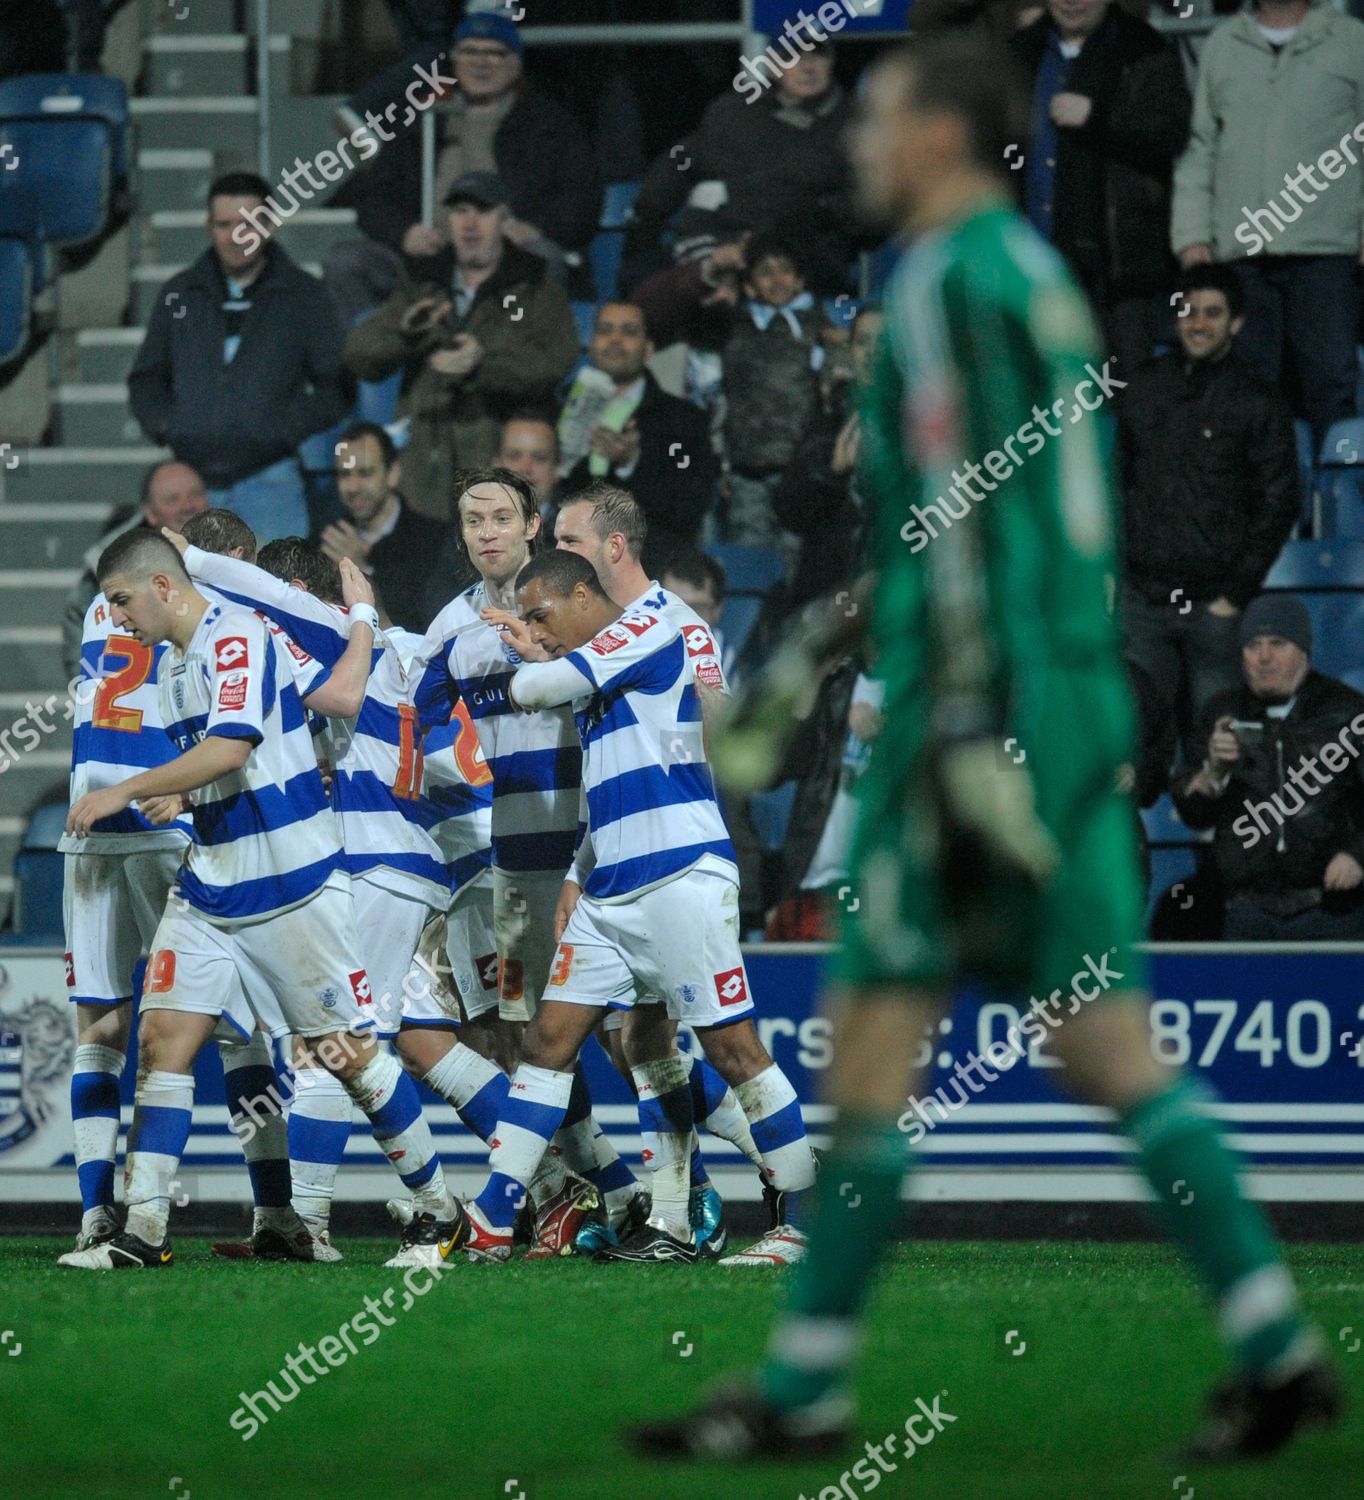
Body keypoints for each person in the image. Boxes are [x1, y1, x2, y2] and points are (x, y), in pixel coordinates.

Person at [634, 34, 1339, 1462]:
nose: (861, 145)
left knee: (896, 1050)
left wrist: (954, 726)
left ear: (942, 138)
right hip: (1058, 698)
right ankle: (1275, 1345)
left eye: (882, 120)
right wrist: (822, 652)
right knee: (1098, 1051)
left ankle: (809, 1388)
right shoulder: (1028, 277)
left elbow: (958, 534)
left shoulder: (951, 282)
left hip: (983, 711)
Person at [56, 533, 469, 1270]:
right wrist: (183, 789)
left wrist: (127, 788)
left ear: (162, 584)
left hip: (291, 886)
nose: (115, 618)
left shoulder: (236, 634)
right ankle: (142, 1231)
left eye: (121, 600)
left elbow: (235, 746)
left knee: (348, 1055)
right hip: (212, 884)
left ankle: (438, 1209)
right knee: (163, 1043)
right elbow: (231, 754)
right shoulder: (175, 662)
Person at [164, 530, 566, 1247]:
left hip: (376, 861)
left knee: (329, 1043)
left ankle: (311, 1224)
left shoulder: (323, 629)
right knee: (413, 1041)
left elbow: (279, 610)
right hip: (416, 855)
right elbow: (450, 759)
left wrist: (190, 559)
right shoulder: (402, 645)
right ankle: (553, 1183)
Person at [453, 549, 816, 1265]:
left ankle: (803, 1222)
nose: (535, 629)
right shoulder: (600, 676)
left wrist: (528, 663)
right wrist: (578, 876)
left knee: (732, 1049)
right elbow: (606, 781)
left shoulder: (649, 627)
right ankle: (497, 1218)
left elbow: (531, 690)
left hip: (679, 874)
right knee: (551, 1042)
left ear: (583, 593)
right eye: (526, 619)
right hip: (612, 888)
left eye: (541, 614)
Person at [408, 468, 642, 1253]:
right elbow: (425, 733)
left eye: (501, 517)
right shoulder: (451, 630)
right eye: (472, 520)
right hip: (508, 860)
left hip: (593, 853)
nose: (486, 533)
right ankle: (614, 1191)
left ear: (533, 525)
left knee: (628, 1038)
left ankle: (688, 1190)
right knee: (528, 1036)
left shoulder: (582, 608)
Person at [548, 483, 772, 1261]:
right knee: (634, 1046)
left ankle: (763, 1184)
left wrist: (698, 710)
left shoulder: (673, 625)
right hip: (615, 862)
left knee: (699, 1044)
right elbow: (610, 766)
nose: (558, 548)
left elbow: (713, 728)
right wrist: (582, 866)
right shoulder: (598, 638)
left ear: (612, 547)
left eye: (569, 538)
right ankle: (682, 1215)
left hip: (676, 857)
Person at [1118, 264, 1300, 762]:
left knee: (1225, 752)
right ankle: (1131, 843)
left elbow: (1280, 500)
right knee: (1130, 749)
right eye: (1189, 312)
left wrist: (1234, 594)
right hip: (1145, 604)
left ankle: (1231, 840)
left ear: (1236, 324)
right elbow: (1115, 484)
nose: (1198, 323)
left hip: (1215, 610)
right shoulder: (1143, 387)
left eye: (1213, 314)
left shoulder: (1257, 400)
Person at [1172, 0, 1364, 449]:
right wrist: (1193, 235)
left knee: (1331, 391)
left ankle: (1337, 512)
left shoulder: (1351, 41)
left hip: (1326, 254)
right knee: (1245, 398)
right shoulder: (1223, 45)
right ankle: (1261, 514)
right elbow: (1200, 147)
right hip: (1242, 258)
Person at [328, 11, 601, 325]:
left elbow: (583, 200)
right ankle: (372, 365)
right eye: (469, 52)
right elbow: (374, 199)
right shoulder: (422, 120)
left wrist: (536, 228)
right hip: (428, 260)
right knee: (346, 262)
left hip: (508, 260)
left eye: (494, 54)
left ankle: (520, 363)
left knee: (543, 259)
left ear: (516, 64)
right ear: (454, 62)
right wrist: (404, 232)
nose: (480, 63)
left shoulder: (548, 125)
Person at [343, 172, 580, 523]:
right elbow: (359, 355)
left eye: (482, 212)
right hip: (426, 464)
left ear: (504, 218)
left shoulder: (533, 285)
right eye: (460, 211)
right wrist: (405, 332)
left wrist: (482, 363)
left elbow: (554, 361)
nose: (469, 224)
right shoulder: (424, 281)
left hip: (499, 460)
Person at [127, 173, 348, 545]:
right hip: (193, 487)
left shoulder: (305, 295)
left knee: (276, 594)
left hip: (272, 479)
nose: (236, 236)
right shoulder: (180, 293)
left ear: (272, 224)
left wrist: (280, 431)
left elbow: (337, 385)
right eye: (224, 224)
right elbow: (146, 378)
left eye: (249, 224)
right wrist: (171, 425)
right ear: (208, 227)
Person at [1011, 0, 1190, 374]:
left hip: (1117, 269)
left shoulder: (1143, 48)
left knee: (1126, 392)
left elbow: (1168, 134)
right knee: (1038, 390)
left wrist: (1097, 119)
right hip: (1033, 265)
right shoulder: (1021, 51)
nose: (1072, 3)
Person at [1174, 594, 1364, 941]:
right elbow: (1194, 813)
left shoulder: (1347, 713)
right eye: (1252, 645)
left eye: (1277, 643)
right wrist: (1214, 771)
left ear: (1303, 650)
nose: (1263, 657)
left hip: (1333, 910)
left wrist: (1357, 856)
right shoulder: (1222, 712)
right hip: (1246, 913)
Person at [623, 40, 857, 295]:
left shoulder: (855, 123)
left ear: (832, 62)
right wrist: (646, 214)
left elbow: (865, 203)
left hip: (803, 250)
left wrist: (784, 231)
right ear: (772, 63)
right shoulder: (733, 111)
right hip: (719, 241)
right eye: (794, 57)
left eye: (818, 57)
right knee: (660, 283)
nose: (809, 68)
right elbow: (683, 158)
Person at [558, 302, 716, 568]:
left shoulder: (683, 422)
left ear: (649, 349)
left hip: (650, 565)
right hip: (571, 562)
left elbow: (687, 507)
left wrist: (630, 465)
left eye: (629, 332)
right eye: (605, 330)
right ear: (591, 343)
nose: (615, 340)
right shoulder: (559, 409)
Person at [773, 303, 884, 611]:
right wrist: (832, 472)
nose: (873, 352)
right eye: (863, 342)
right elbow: (789, 510)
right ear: (849, 350)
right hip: (830, 594)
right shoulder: (826, 415)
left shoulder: (927, 421)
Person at [720, 235, 825, 559]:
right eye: (766, 272)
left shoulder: (819, 328)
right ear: (749, 286)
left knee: (795, 553)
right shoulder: (733, 328)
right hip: (745, 468)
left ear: (800, 281)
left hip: (799, 470)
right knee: (750, 554)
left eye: (785, 271)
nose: (778, 279)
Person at [62, 460, 209, 682]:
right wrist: (90, 691)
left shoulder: (244, 555)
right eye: (172, 499)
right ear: (150, 513)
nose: (187, 506)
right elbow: (80, 636)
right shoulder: (109, 566)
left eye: (195, 495)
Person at [317, 420, 451, 631]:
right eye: (344, 474)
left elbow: (426, 622)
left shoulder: (434, 540)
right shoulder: (326, 539)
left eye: (365, 473)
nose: (353, 487)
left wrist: (363, 572)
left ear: (393, 473)